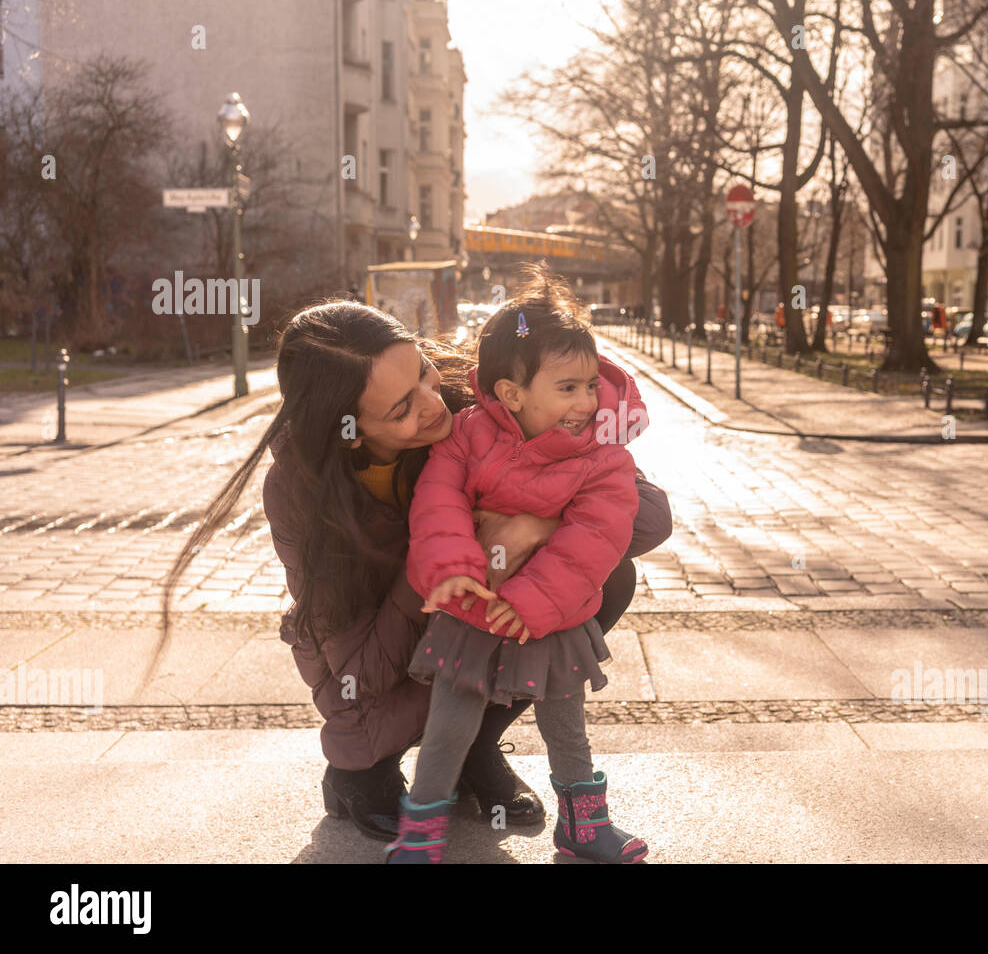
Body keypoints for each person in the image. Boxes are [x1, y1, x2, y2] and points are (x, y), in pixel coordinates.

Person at [158, 295, 671, 844]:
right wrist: (432, 569)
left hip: (472, 608)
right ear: (349, 430)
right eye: (401, 408)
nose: (432, 405)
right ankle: (368, 768)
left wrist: (532, 528)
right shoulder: (300, 491)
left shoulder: (478, 404)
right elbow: (346, 650)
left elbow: (645, 513)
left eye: (423, 374)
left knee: (605, 577)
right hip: (382, 633)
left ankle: (476, 744)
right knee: (394, 687)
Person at [387, 266, 650, 864]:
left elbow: (597, 537)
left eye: (590, 385)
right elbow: (438, 503)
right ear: (511, 393)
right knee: (449, 723)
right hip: (472, 609)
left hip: (551, 617)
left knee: (565, 725)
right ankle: (420, 834)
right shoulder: (466, 437)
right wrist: (450, 567)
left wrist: (530, 601)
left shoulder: (604, 457)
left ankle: (583, 825)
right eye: (568, 388)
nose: (586, 401)